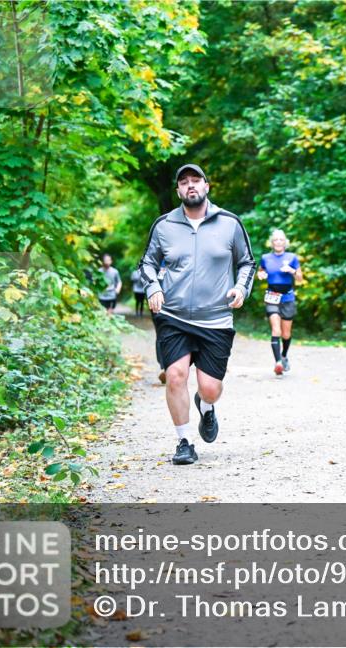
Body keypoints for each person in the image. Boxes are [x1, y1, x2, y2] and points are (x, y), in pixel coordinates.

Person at [139, 163, 255, 465]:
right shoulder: (164, 225)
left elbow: (247, 263)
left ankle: (206, 405)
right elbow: (148, 263)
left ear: (207, 186)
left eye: (196, 180)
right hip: (173, 315)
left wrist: (241, 289)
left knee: (210, 388)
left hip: (216, 318)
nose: (190, 186)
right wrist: (153, 287)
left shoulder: (230, 223)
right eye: (184, 182)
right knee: (175, 376)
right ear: (178, 190)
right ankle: (185, 441)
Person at [257, 229, 302, 376]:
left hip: (288, 297)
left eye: (281, 239)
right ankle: (277, 363)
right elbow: (260, 271)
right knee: (276, 330)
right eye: (275, 240)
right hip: (272, 296)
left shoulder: (292, 257)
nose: (278, 242)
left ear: (285, 242)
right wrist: (261, 275)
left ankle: (284, 356)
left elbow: (300, 278)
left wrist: (291, 271)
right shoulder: (266, 257)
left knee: (286, 333)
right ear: (272, 242)